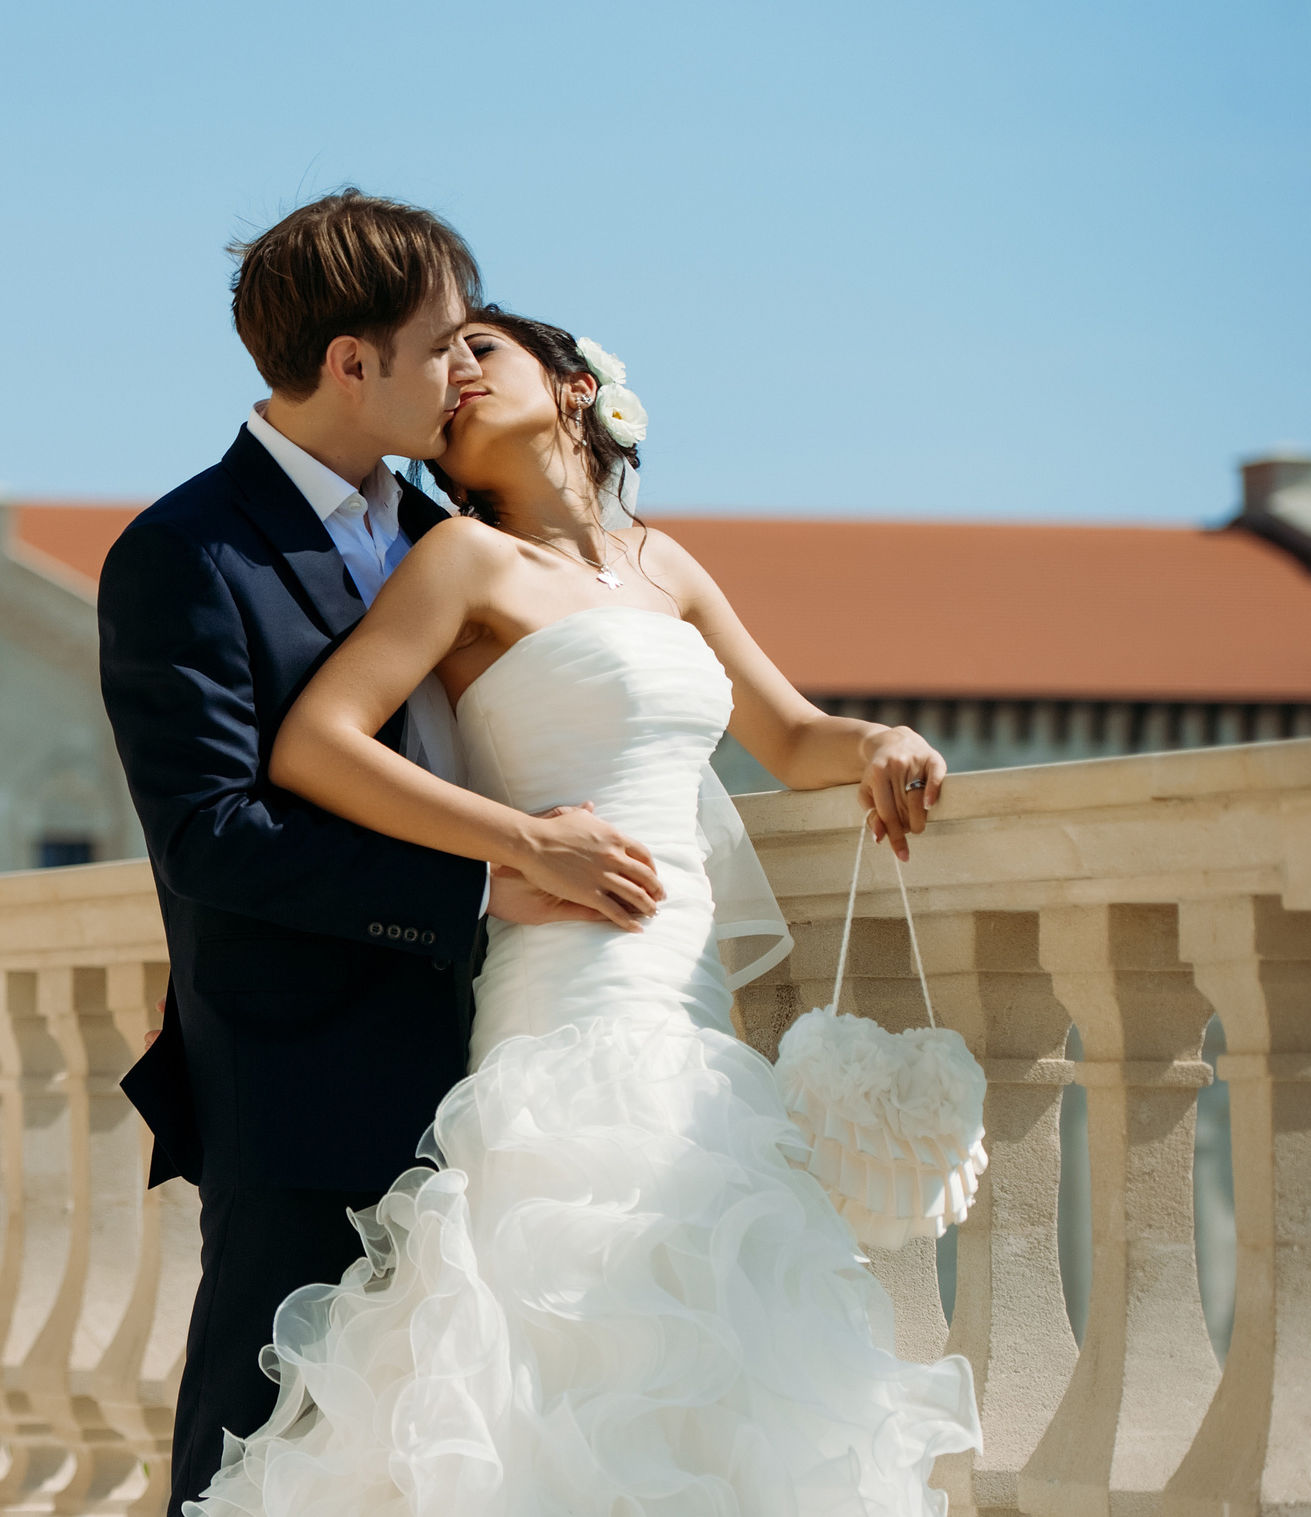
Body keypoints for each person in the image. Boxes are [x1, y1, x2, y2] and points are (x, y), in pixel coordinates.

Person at [185, 306, 981, 1516]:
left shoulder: (666, 564)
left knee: (707, 1346)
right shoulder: (459, 559)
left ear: (572, 384)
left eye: (479, 353)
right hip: (561, 996)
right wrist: (523, 844)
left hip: (691, 1005)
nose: (452, 377)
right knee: (552, 1348)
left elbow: (785, 732)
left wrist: (880, 739)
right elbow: (313, 744)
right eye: (439, 360)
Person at [97, 192, 666, 1517]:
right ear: (355, 364)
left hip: (515, 1072)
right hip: (307, 1086)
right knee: (259, 1459)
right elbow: (212, 835)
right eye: (445, 344)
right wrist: (478, 885)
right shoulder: (186, 555)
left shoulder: (452, 535)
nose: (466, 369)